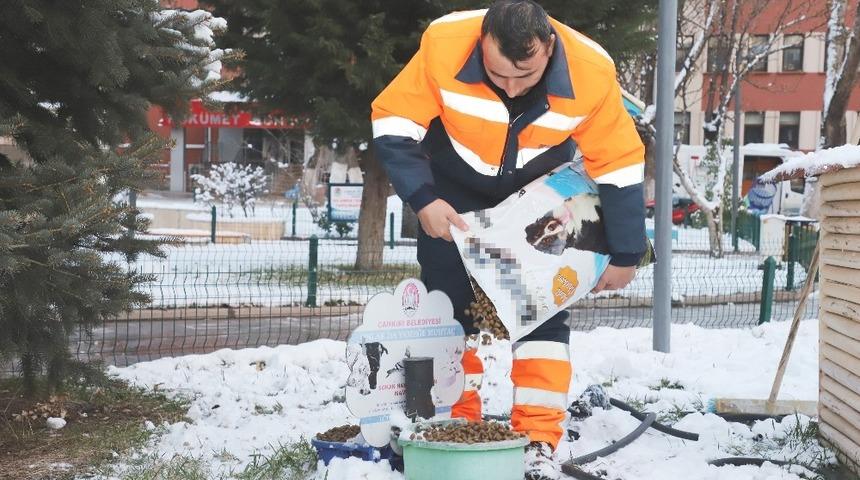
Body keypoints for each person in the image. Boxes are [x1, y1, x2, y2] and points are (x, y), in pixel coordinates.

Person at [371, 1, 646, 477]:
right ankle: (453, 425)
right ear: (482, 45)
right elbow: (395, 121)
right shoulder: (443, 43)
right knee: (449, 313)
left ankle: (539, 437)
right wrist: (423, 199)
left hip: (539, 206)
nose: (513, 87)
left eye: (527, 75)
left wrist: (625, 252)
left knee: (543, 318)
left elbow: (619, 163)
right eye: (500, 75)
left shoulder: (592, 70)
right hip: (453, 198)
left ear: (550, 48)